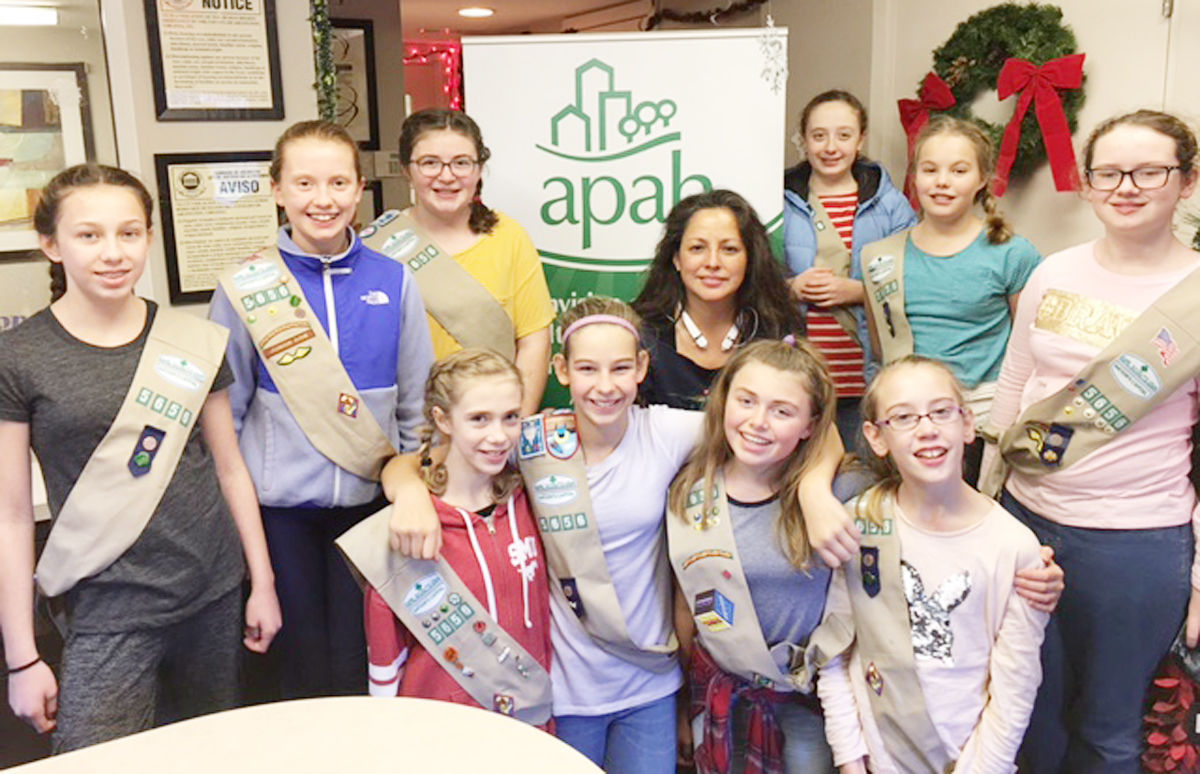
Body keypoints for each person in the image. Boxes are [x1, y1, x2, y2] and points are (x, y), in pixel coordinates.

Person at [0, 164, 280, 752]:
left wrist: (263, 581)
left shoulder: (191, 340)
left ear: (149, 238)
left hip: (211, 589)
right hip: (106, 605)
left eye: (129, 233)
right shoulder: (19, 357)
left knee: (208, 755)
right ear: (51, 244)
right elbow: (12, 515)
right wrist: (22, 658)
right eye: (89, 235)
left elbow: (229, 468)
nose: (113, 253)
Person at [984, 109, 1200, 773]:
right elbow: (1013, 390)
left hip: (1138, 546)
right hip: (1027, 526)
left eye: (1149, 171)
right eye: (1108, 172)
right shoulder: (1053, 272)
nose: (1125, 187)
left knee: (1109, 732)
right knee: (1025, 712)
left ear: (1186, 182)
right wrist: (985, 512)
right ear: (1087, 182)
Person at [208, 120, 433, 699]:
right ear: (278, 190)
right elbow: (224, 425)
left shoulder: (396, 281)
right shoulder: (243, 289)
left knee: (368, 667)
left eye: (338, 182)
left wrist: (411, 493)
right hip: (280, 519)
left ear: (360, 189)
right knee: (298, 675)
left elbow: (417, 410)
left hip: (371, 509)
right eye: (304, 183)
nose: (323, 199)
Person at [814, 356, 1049, 773]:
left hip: (969, 759)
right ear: (876, 436)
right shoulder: (859, 524)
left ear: (968, 424)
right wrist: (849, 758)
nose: (927, 429)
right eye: (903, 417)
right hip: (876, 758)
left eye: (942, 411)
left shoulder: (1013, 546)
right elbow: (835, 650)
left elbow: (1016, 685)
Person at [352, 350, 552, 725]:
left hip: (528, 722)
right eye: (479, 419)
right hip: (440, 732)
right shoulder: (410, 526)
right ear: (443, 420)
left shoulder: (528, 502)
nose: (498, 436)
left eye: (510, 417)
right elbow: (385, 654)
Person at [668, 338, 838, 774]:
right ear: (725, 401)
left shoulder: (839, 491)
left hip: (808, 702)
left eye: (782, 411)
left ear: (810, 425)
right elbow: (686, 604)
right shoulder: (689, 491)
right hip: (720, 693)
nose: (758, 422)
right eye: (746, 401)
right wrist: (684, 703)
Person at [859, 116, 1041, 484]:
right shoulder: (880, 257)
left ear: (981, 178)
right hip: (907, 415)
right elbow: (880, 343)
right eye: (929, 169)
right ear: (914, 177)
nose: (942, 182)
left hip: (983, 416)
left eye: (958, 170)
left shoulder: (1011, 253)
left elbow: (1031, 347)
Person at [364, 108, 553, 416]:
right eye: (430, 163)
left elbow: (534, 342)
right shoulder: (376, 248)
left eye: (461, 163)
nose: (447, 176)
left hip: (494, 430)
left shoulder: (509, 237)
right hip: (412, 429)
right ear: (405, 169)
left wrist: (511, 426)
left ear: (479, 170)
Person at [783, 90, 917, 447]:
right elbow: (754, 275)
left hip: (867, 374)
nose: (831, 147)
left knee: (864, 477)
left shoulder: (889, 204)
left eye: (843, 135)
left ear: (860, 139)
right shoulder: (778, 200)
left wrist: (858, 291)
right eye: (819, 135)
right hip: (799, 374)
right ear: (804, 140)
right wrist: (792, 287)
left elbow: (917, 274)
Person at [634, 189, 803, 410]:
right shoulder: (640, 333)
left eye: (729, 249)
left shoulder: (778, 330)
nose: (713, 262)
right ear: (676, 258)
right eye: (697, 248)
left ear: (750, 259)